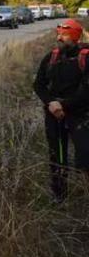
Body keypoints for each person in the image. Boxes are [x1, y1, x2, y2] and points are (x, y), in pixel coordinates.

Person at [33, 19, 89, 202]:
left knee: (85, 154)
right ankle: (59, 195)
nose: (59, 38)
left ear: (75, 36)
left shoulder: (86, 57)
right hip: (53, 113)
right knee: (57, 155)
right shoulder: (51, 57)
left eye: (64, 35)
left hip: (80, 114)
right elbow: (39, 85)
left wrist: (63, 106)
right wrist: (51, 103)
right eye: (58, 34)